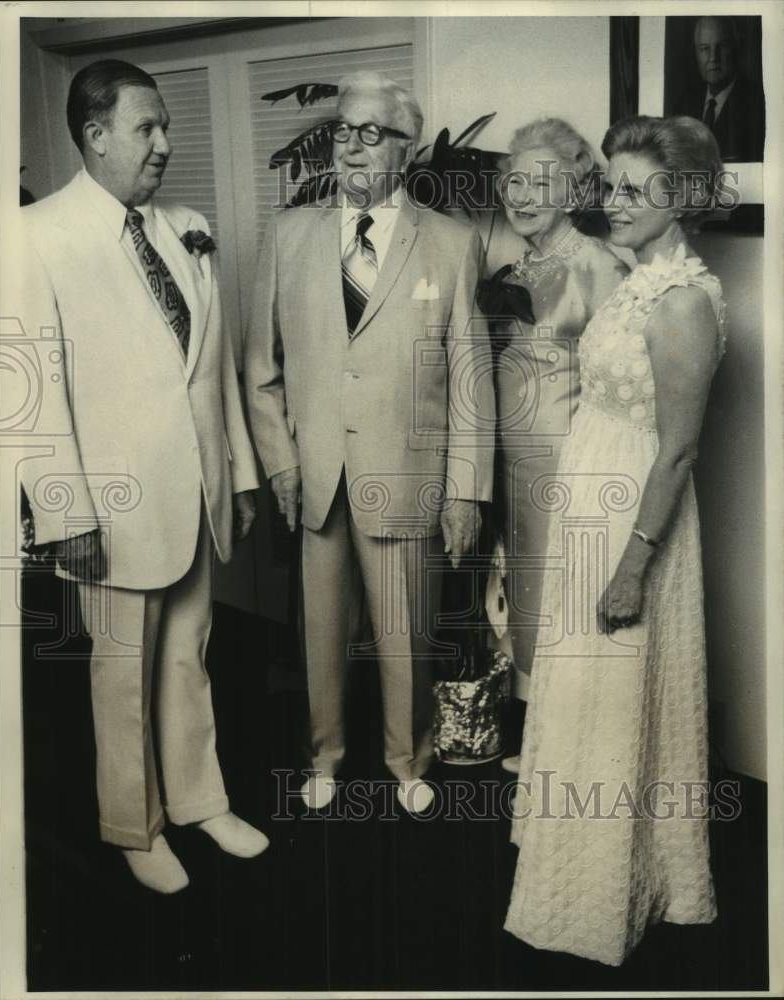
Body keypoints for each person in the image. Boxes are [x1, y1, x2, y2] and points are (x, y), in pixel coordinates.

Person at [16, 60, 268, 893]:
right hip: (108, 507)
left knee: (190, 655)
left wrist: (238, 469)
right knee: (121, 673)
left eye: (166, 126)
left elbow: (214, 369)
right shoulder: (32, 235)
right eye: (146, 128)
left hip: (196, 492)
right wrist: (64, 513)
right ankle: (134, 825)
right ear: (94, 136)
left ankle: (200, 800)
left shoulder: (185, 225)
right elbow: (28, 387)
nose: (166, 143)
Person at [504, 114, 725, 965]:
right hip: (589, 504)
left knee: (621, 697)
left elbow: (676, 451)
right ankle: (571, 859)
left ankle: (607, 893)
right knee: (585, 694)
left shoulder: (681, 303)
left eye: (639, 189)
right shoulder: (633, 278)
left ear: (686, 200)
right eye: (616, 184)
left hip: (637, 519)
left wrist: (632, 569)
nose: (617, 200)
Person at [245, 71, 494, 814]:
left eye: (370, 132)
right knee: (320, 637)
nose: (351, 146)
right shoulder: (288, 235)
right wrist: (281, 462)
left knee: (404, 639)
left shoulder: (451, 244)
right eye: (344, 130)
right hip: (318, 474)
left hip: (407, 476)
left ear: (406, 148)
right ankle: (324, 756)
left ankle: (408, 761)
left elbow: (468, 380)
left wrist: (465, 489)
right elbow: (261, 366)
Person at [476, 119, 627, 767]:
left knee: (566, 599)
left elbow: (627, 387)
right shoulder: (513, 267)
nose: (523, 194)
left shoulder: (598, 266)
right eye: (514, 180)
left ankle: (573, 753)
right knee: (525, 596)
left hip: (570, 469)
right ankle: (543, 742)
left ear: (572, 191)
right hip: (511, 467)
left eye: (542, 182)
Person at [673, 16, 765, 161]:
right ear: (696, 53)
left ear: (737, 47)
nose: (713, 58)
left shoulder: (758, 103)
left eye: (722, 46)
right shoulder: (685, 103)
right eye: (705, 48)